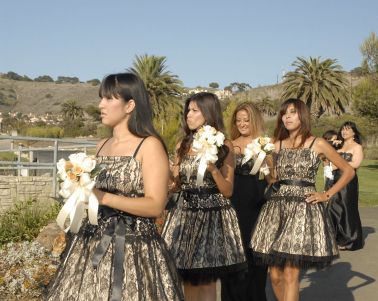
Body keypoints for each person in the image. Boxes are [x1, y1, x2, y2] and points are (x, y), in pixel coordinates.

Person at [46, 73, 184, 301]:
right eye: (102, 98)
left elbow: (155, 205)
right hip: (90, 244)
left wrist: (103, 197)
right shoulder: (101, 146)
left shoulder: (149, 146)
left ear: (130, 105)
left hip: (134, 249)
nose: (101, 104)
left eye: (109, 99)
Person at [250, 98, 355, 301]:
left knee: (291, 274)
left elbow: (348, 171)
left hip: (303, 210)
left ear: (302, 115)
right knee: (275, 275)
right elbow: (271, 177)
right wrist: (266, 170)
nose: (286, 117)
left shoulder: (318, 143)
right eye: (284, 113)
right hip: (276, 209)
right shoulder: (275, 145)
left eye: (292, 112)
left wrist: (326, 194)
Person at [162, 92, 247, 301]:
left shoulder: (224, 145)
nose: (188, 115)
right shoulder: (181, 145)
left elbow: (228, 191)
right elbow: (175, 184)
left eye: (194, 111)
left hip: (213, 215)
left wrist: (212, 169)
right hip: (184, 216)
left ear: (208, 113)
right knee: (188, 279)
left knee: (207, 282)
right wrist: (166, 177)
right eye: (187, 111)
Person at [221, 102, 268, 301]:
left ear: (254, 120)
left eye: (246, 120)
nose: (241, 123)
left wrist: (266, 161)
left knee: (255, 261)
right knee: (232, 258)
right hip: (231, 207)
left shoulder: (265, 144)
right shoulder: (228, 144)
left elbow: (272, 179)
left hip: (257, 209)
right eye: (238, 120)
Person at [326, 121, 364, 251]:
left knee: (346, 207)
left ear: (354, 133)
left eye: (347, 129)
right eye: (342, 129)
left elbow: (356, 163)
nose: (344, 131)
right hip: (334, 179)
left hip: (348, 180)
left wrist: (340, 164)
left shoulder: (357, 147)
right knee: (332, 207)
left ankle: (349, 240)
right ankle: (333, 238)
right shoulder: (338, 145)